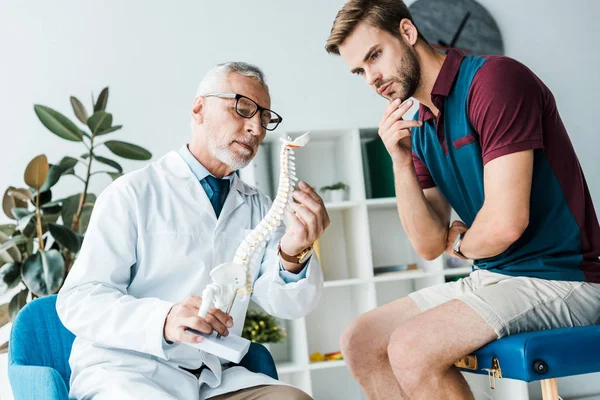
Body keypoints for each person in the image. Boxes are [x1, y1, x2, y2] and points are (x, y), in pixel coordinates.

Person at [324, 1, 600, 399]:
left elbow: (505, 224)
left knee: (411, 347)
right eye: (360, 71)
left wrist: (460, 244)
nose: (372, 78)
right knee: (361, 340)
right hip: (494, 278)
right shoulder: (417, 126)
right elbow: (427, 244)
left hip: (560, 278)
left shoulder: (495, 80)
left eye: (375, 56)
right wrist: (400, 161)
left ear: (406, 31)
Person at [57, 61, 329, 400]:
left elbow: (289, 304)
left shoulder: (258, 207)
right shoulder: (133, 193)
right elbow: (80, 299)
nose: (256, 128)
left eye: (264, 118)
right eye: (243, 108)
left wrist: (293, 252)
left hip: (210, 378)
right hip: (128, 372)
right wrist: (164, 319)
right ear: (199, 108)